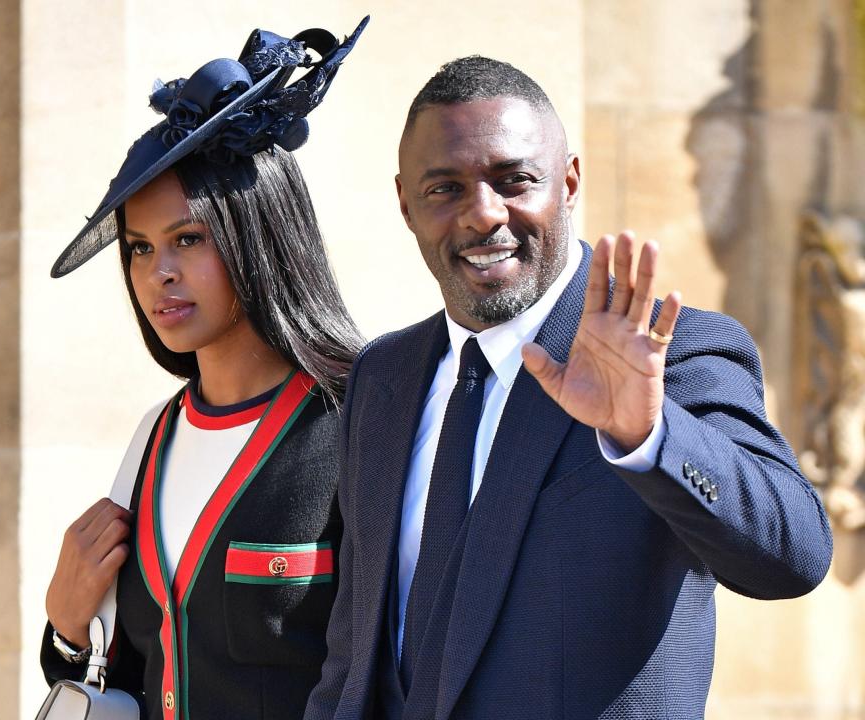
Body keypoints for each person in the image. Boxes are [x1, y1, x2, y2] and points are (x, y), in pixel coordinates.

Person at [305, 56, 833, 719]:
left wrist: (649, 434)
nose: (483, 215)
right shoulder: (383, 377)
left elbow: (794, 556)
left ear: (570, 181)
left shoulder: (672, 350)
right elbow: (354, 655)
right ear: (406, 203)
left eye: (514, 180)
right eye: (445, 189)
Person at [39, 18, 368, 720]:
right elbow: (116, 670)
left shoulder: (360, 420)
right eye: (137, 248)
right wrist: (66, 627)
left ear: (258, 232)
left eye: (188, 238)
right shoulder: (153, 439)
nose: (158, 272)